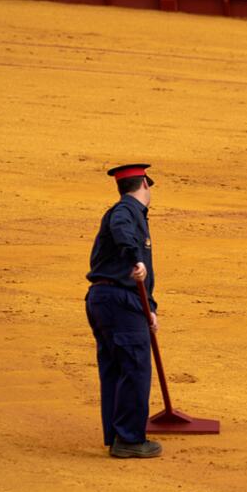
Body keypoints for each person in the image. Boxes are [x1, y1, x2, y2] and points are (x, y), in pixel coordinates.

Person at [85, 164, 162, 458]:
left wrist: (148, 309)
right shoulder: (126, 211)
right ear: (144, 184)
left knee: (116, 369)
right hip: (119, 301)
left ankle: (119, 435)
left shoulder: (127, 213)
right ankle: (129, 439)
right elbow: (122, 232)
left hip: (107, 299)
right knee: (134, 368)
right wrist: (135, 259)